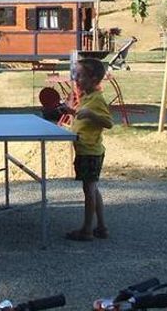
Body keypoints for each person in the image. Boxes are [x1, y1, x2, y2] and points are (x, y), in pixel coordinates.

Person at [63, 58, 113, 241]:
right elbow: (84, 116)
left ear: (93, 79)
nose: (76, 79)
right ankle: (101, 227)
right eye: (75, 75)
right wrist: (72, 112)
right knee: (93, 188)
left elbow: (108, 122)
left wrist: (91, 114)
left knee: (89, 190)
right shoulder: (87, 97)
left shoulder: (97, 99)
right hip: (85, 150)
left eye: (80, 75)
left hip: (90, 151)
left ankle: (87, 230)